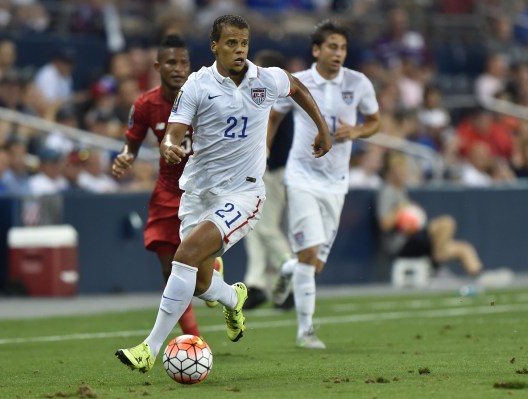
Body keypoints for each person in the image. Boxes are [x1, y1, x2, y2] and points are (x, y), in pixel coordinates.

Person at [115, 14, 331, 373]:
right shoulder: (198, 85)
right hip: (198, 193)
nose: (239, 50)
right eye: (231, 43)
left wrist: (322, 130)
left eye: (243, 43)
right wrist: (169, 145)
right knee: (199, 283)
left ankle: (148, 349)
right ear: (214, 45)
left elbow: (297, 88)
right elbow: (175, 128)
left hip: (243, 193)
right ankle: (233, 297)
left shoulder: (265, 79)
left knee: (183, 257)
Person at [270, 19, 381, 349]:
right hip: (301, 176)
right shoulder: (298, 83)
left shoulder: (358, 83)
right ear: (316, 50)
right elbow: (274, 116)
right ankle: (305, 332)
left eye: (343, 47)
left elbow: (375, 121)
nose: (338, 53)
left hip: (336, 182)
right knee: (309, 253)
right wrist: (263, 148)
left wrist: (357, 131)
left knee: (313, 264)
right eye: (332, 46)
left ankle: (287, 270)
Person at [111, 34, 220, 339]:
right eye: (171, 62)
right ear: (157, 66)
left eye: (183, 62)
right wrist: (124, 158)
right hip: (167, 191)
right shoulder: (146, 104)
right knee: (170, 269)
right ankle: (193, 338)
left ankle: (212, 272)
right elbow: (130, 144)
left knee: (198, 279)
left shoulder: (207, 95)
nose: (178, 68)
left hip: (203, 190)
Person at [242, 49, 294, 310]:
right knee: (252, 228)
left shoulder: (274, 96)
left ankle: (290, 275)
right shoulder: (273, 95)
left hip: (272, 170)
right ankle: (257, 285)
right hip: (266, 169)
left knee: (266, 228)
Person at [376, 151, 483, 276]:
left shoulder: (401, 190)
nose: (403, 172)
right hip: (401, 243)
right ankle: (436, 263)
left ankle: (479, 280)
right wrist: (400, 210)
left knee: (465, 248)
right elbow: (384, 224)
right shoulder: (387, 191)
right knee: (446, 223)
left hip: (413, 238)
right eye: (400, 169)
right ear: (391, 172)